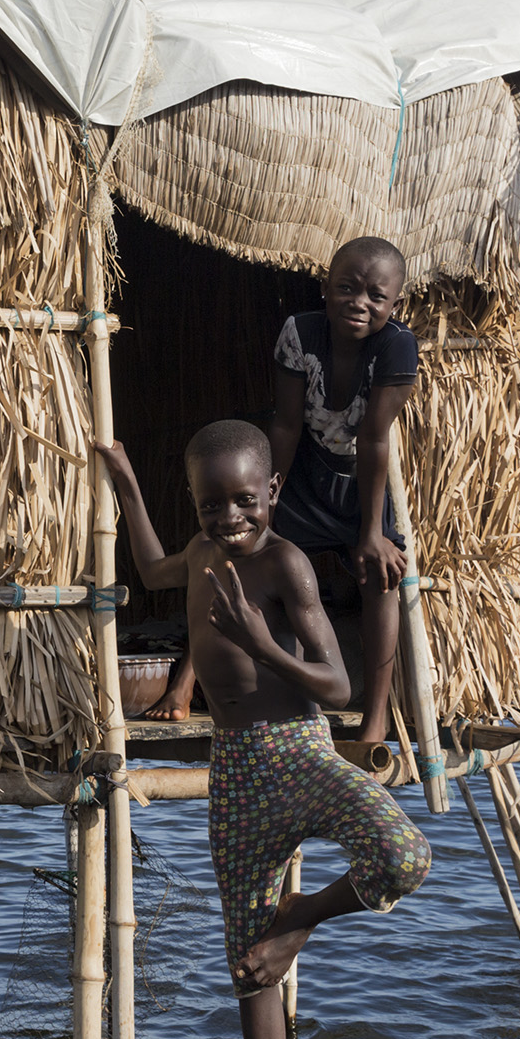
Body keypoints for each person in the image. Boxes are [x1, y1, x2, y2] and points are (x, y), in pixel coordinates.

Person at [92, 419, 431, 1039]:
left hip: (300, 755)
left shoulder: (286, 564)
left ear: (272, 493)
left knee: (403, 854)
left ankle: (298, 923)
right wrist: (129, 483)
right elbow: (148, 567)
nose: (229, 517)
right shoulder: (204, 555)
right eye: (212, 504)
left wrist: (258, 642)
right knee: (250, 969)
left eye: (245, 500)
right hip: (237, 771)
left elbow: (338, 686)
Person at [143, 236, 418, 743]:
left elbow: (376, 437)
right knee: (239, 552)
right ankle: (184, 683)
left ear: (394, 304)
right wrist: (272, 497)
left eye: (376, 296)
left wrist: (371, 533)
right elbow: (288, 426)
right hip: (304, 471)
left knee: (383, 576)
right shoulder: (301, 333)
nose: (360, 302)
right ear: (325, 289)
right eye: (346, 288)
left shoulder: (396, 346)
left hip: (359, 481)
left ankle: (375, 717)